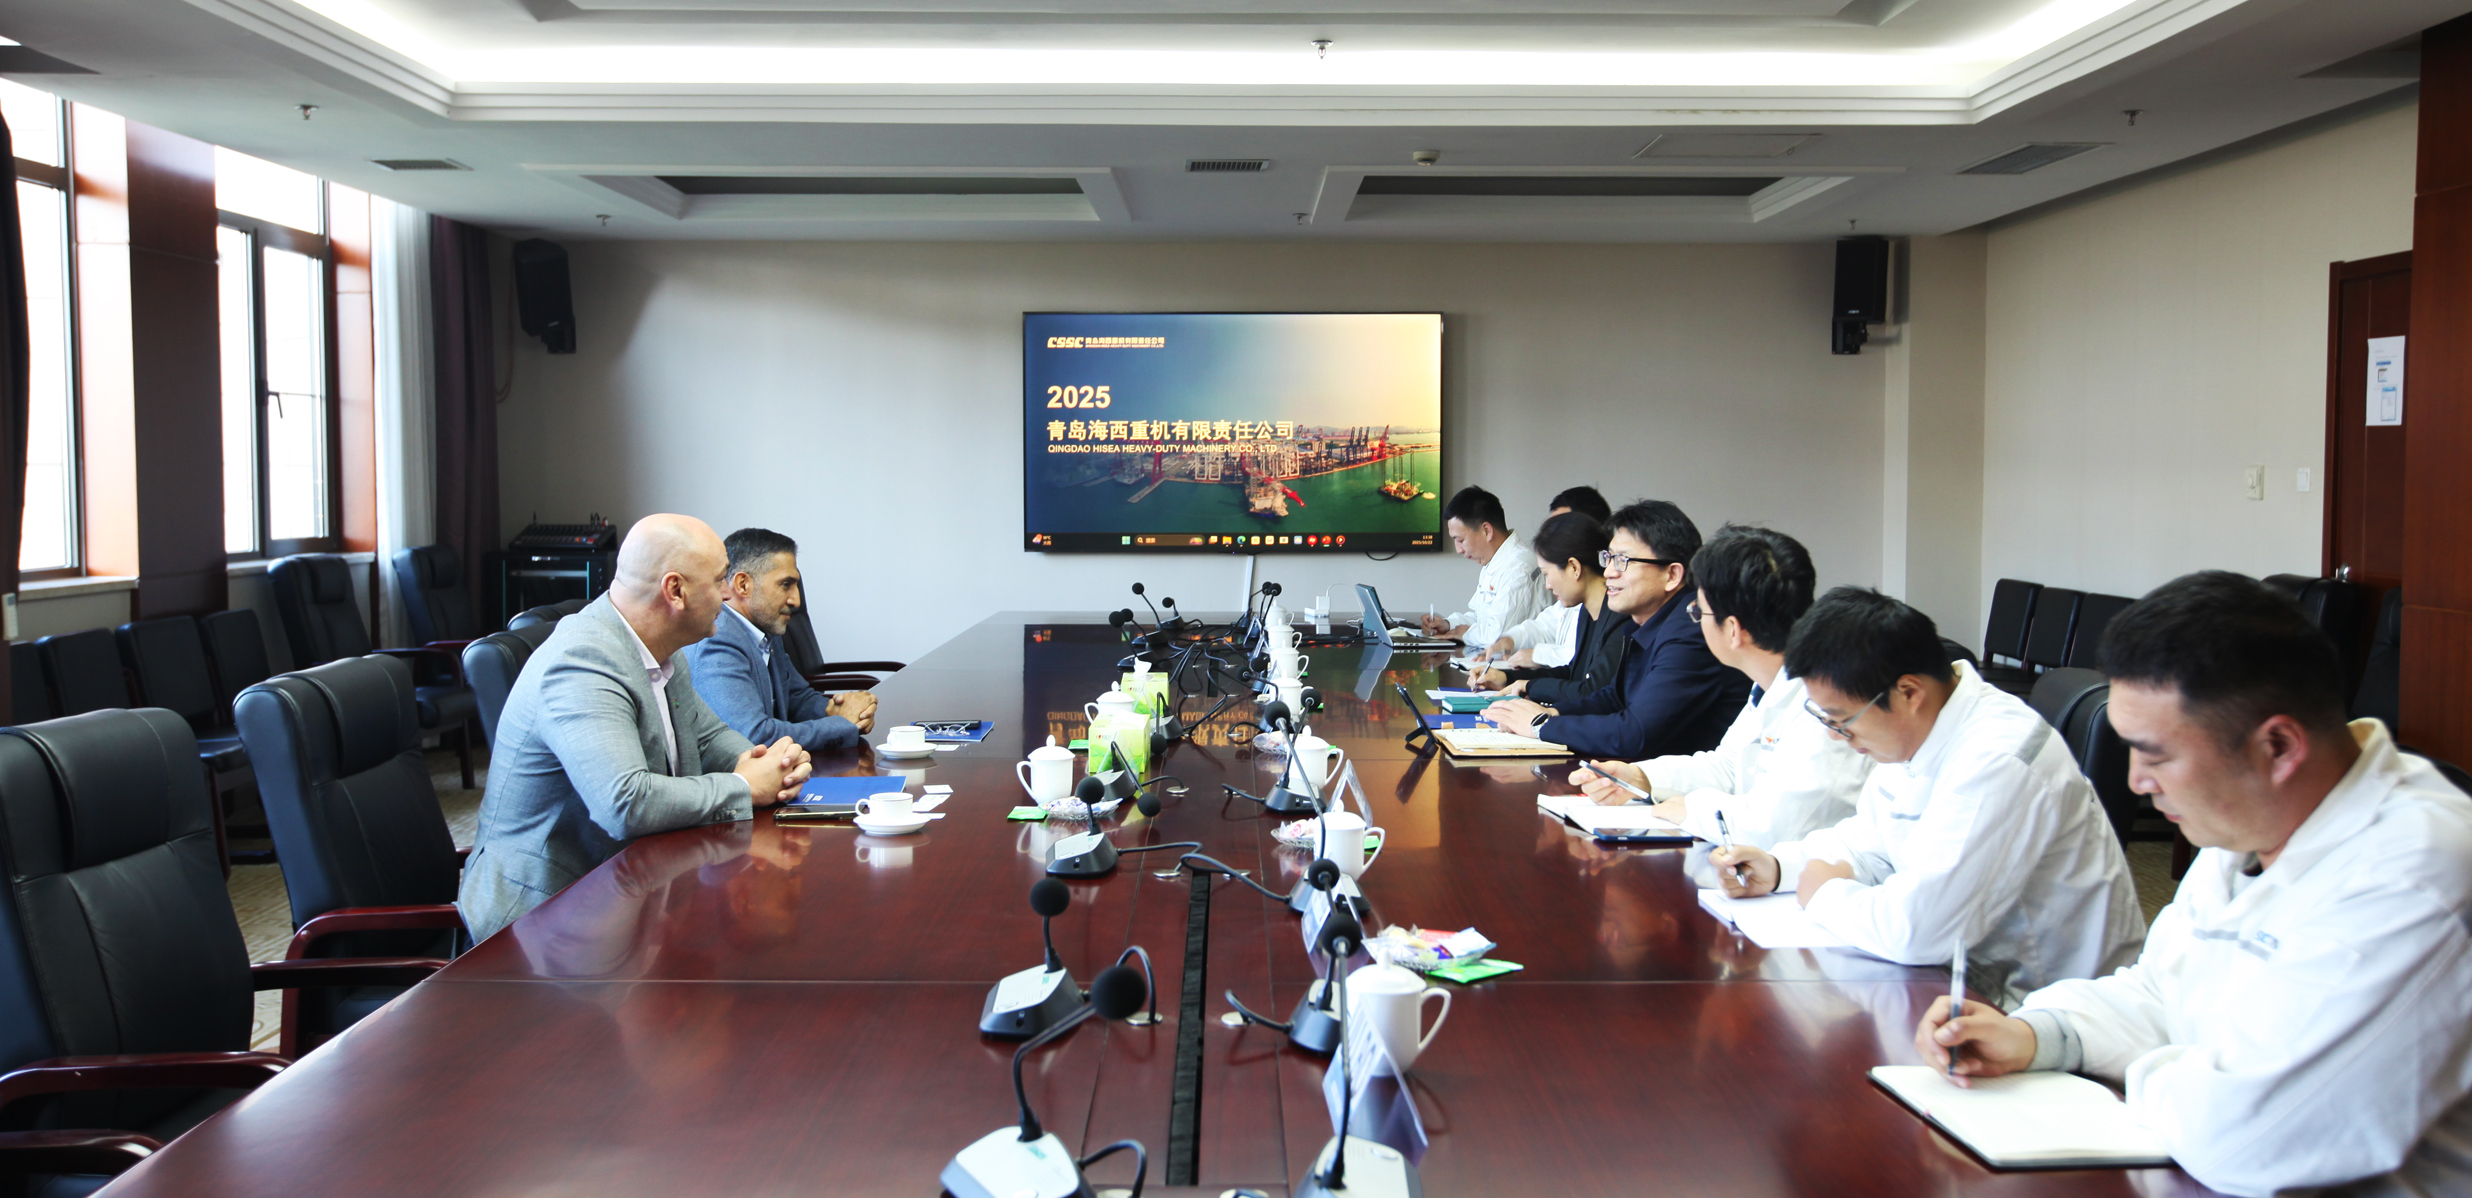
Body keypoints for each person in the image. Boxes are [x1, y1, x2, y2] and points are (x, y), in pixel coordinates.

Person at [1917, 572, 2472, 1196]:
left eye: (2156, 755)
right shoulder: (2249, 823)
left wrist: (2158, 1075)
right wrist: (2034, 1034)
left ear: (2278, 746)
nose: (2136, 781)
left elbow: (2246, 1140)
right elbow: (2161, 991)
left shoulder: (2417, 876)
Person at [1711, 587, 2142, 1003]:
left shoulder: (1997, 759)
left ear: (1909, 693)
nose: (1836, 736)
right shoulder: (1915, 730)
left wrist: (1823, 895)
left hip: (2037, 1006)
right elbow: (1867, 842)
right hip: (1961, 983)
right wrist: (1780, 869)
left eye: (1842, 720)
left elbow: (1917, 931)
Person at [459, 514, 814, 943]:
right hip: (541, 920)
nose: (727, 593)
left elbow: (707, 736)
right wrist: (744, 786)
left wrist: (768, 764)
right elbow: (625, 802)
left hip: (628, 887)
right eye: (719, 579)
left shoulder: (663, 647)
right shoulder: (582, 661)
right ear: (675, 591)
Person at [1570, 525, 1867, 848]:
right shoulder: (1767, 686)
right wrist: (1641, 777)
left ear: (1733, 630)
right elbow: (1727, 766)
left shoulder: (1826, 706)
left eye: (1698, 611)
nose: (1695, 621)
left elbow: (1778, 827)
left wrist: (1691, 810)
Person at [1480, 500, 1746, 761]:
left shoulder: (1690, 629)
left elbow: (1636, 733)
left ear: (1672, 575)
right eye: (1608, 558)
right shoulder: (1645, 621)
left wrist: (1540, 725)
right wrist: (1553, 714)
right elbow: (1613, 698)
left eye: (1622, 560)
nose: (1608, 572)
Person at [686, 527, 877, 756]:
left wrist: (845, 710)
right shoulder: (717, 640)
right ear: (743, 585)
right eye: (786, 584)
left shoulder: (765, 629)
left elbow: (797, 698)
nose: (796, 600)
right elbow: (753, 738)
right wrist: (843, 724)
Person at [1474, 513, 1624, 707]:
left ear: (1574, 567)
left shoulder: (1620, 617)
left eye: (1546, 574)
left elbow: (1592, 692)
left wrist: (1530, 687)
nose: (1547, 585)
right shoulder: (1588, 612)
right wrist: (1507, 678)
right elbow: (1572, 673)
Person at [1478, 485, 1614, 667]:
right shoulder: (1575, 595)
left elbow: (1589, 661)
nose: (1551, 536)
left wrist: (1539, 655)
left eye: (1561, 528)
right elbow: (1544, 626)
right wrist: (1510, 640)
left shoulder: (1612, 604)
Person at [1419, 485, 1547, 648]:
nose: (1458, 549)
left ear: (1486, 531)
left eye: (1460, 540)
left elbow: (1498, 637)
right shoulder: (1496, 561)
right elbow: (1479, 618)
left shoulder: (1519, 567)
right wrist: (1448, 624)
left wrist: (1464, 633)